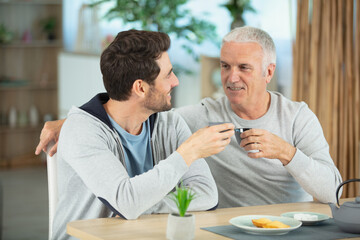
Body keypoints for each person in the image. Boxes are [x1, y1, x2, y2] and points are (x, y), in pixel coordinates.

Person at [36, 27, 342, 210]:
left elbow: (334, 193)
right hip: (227, 231)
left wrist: (287, 154)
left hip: (288, 231)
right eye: (224, 66)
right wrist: (74, 121)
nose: (230, 78)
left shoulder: (298, 117)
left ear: (269, 72)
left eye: (243, 68)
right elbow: (126, 110)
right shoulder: (204, 115)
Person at [48, 29, 234, 240]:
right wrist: (186, 154)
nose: (175, 81)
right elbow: (126, 201)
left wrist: (141, 204)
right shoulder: (82, 130)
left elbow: (206, 194)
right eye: (168, 74)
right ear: (141, 88)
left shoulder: (169, 123)